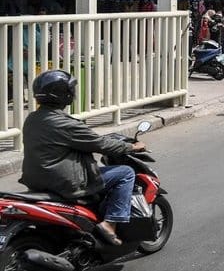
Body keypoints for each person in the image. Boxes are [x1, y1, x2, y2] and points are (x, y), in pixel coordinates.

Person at [20, 70, 146, 247]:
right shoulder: (65, 124)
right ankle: (110, 223)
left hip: (37, 182)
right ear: (65, 94)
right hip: (66, 183)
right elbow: (100, 144)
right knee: (126, 173)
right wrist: (131, 146)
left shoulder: (32, 119)